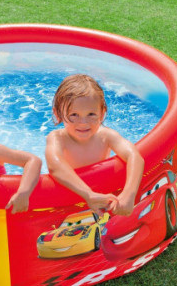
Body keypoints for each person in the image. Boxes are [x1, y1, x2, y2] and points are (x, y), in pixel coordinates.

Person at [45, 74, 144, 216]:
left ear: (102, 114)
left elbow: (134, 156)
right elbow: (55, 166)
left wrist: (128, 194)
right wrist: (88, 194)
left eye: (91, 114)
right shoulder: (57, 138)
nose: (83, 122)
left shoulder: (106, 136)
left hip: (102, 192)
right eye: (74, 115)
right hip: (72, 194)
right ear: (58, 114)